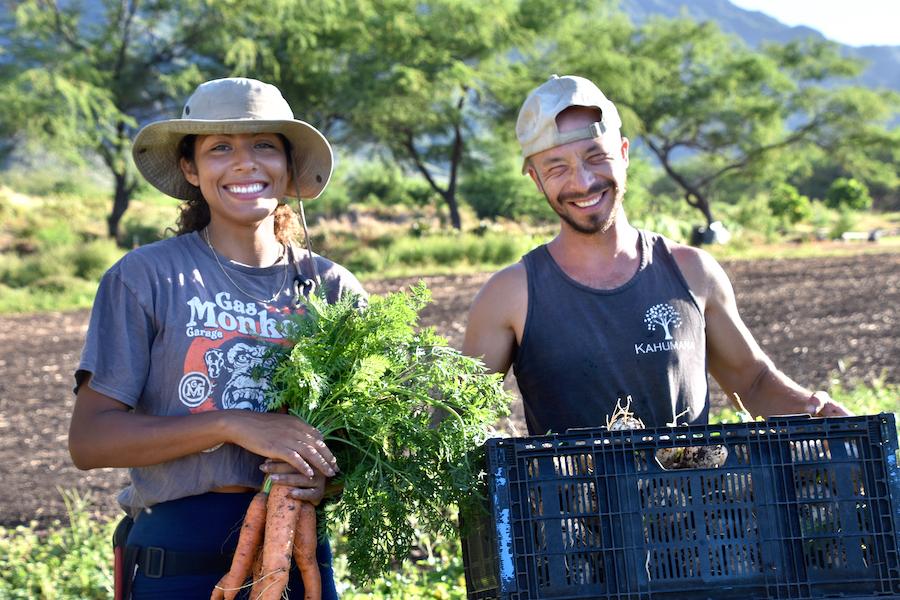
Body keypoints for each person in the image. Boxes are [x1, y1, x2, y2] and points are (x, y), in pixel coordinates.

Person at [68, 77, 365, 599]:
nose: (245, 163)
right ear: (191, 168)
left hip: (297, 554)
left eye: (264, 146)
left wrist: (328, 481)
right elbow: (91, 440)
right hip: (176, 558)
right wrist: (233, 424)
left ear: (289, 165)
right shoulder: (146, 277)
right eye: (220, 148)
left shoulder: (330, 287)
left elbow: (364, 441)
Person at [462, 74, 850, 435]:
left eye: (596, 156)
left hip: (696, 504)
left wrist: (814, 409)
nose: (582, 182)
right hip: (573, 508)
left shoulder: (693, 273)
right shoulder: (510, 295)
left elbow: (752, 381)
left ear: (624, 153)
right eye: (557, 167)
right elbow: (457, 422)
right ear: (535, 178)